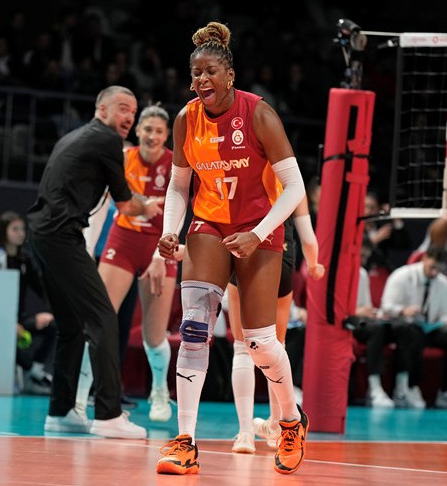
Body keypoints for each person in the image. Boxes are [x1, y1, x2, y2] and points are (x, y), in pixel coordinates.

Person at [156, 21, 308, 476]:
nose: (202, 80)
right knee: (194, 329)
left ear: (230, 76)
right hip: (208, 223)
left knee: (259, 342)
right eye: (195, 73)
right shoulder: (186, 119)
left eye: (210, 72)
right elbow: (179, 186)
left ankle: (290, 421)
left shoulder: (259, 114)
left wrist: (258, 233)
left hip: (259, 228)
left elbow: (295, 187)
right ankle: (185, 441)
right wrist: (170, 229)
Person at [26, 85, 164, 439]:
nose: (129, 116)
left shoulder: (74, 137)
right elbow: (126, 204)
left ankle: (60, 412)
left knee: (71, 324)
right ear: (102, 109)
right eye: (122, 108)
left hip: (42, 235)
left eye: (133, 111)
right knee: (103, 317)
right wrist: (148, 206)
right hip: (61, 236)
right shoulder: (106, 141)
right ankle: (108, 414)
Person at [74, 104, 183, 423]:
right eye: (147, 129)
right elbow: (101, 204)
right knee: (98, 321)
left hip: (159, 246)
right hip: (122, 241)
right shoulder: (122, 158)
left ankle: (159, 391)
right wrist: (88, 247)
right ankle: (79, 399)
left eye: (159, 131)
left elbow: (180, 212)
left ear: (166, 135)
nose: (152, 136)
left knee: (154, 335)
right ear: (138, 130)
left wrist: (160, 256)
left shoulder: (175, 164)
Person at [228, 196, 324, 454]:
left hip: (243, 250)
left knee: (242, 348)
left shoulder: (243, 175)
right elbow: (308, 238)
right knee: (275, 345)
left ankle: (245, 434)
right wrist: (314, 265)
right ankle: (276, 427)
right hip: (280, 257)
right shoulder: (292, 184)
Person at [346, 235, 424, 408]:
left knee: (405, 328)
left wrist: (374, 313)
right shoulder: (337, 272)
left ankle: (402, 388)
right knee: (376, 330)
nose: (364, 260)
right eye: (361, 255)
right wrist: (356, 312)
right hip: (347, 322)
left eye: (366, 257)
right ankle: (374, 388)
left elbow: (366, 305)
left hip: (365, 321)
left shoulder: (362, 273)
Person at [0, 210, 56, 395]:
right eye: (15, 229)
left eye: (22, 229)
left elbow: (43, 289)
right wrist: (9, 322)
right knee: (5, 336)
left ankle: (34, 372)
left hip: (20, 320)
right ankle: (34, 372)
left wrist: (48, 312)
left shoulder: (25, 260)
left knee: (52, 326)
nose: (20, 233)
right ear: (4, 231)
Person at [381, 244, 447, 408]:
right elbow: (386, 305)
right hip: (400, 326)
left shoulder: (443, 283)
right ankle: (406, 388)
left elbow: (445, 313)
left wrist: (442, 320)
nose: (434, 272)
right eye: (432, 267)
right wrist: (403, 310)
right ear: (425, 258)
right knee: (412, 333)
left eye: (438, 269)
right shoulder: (401, 276)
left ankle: (444, 392)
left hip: (429, 328)